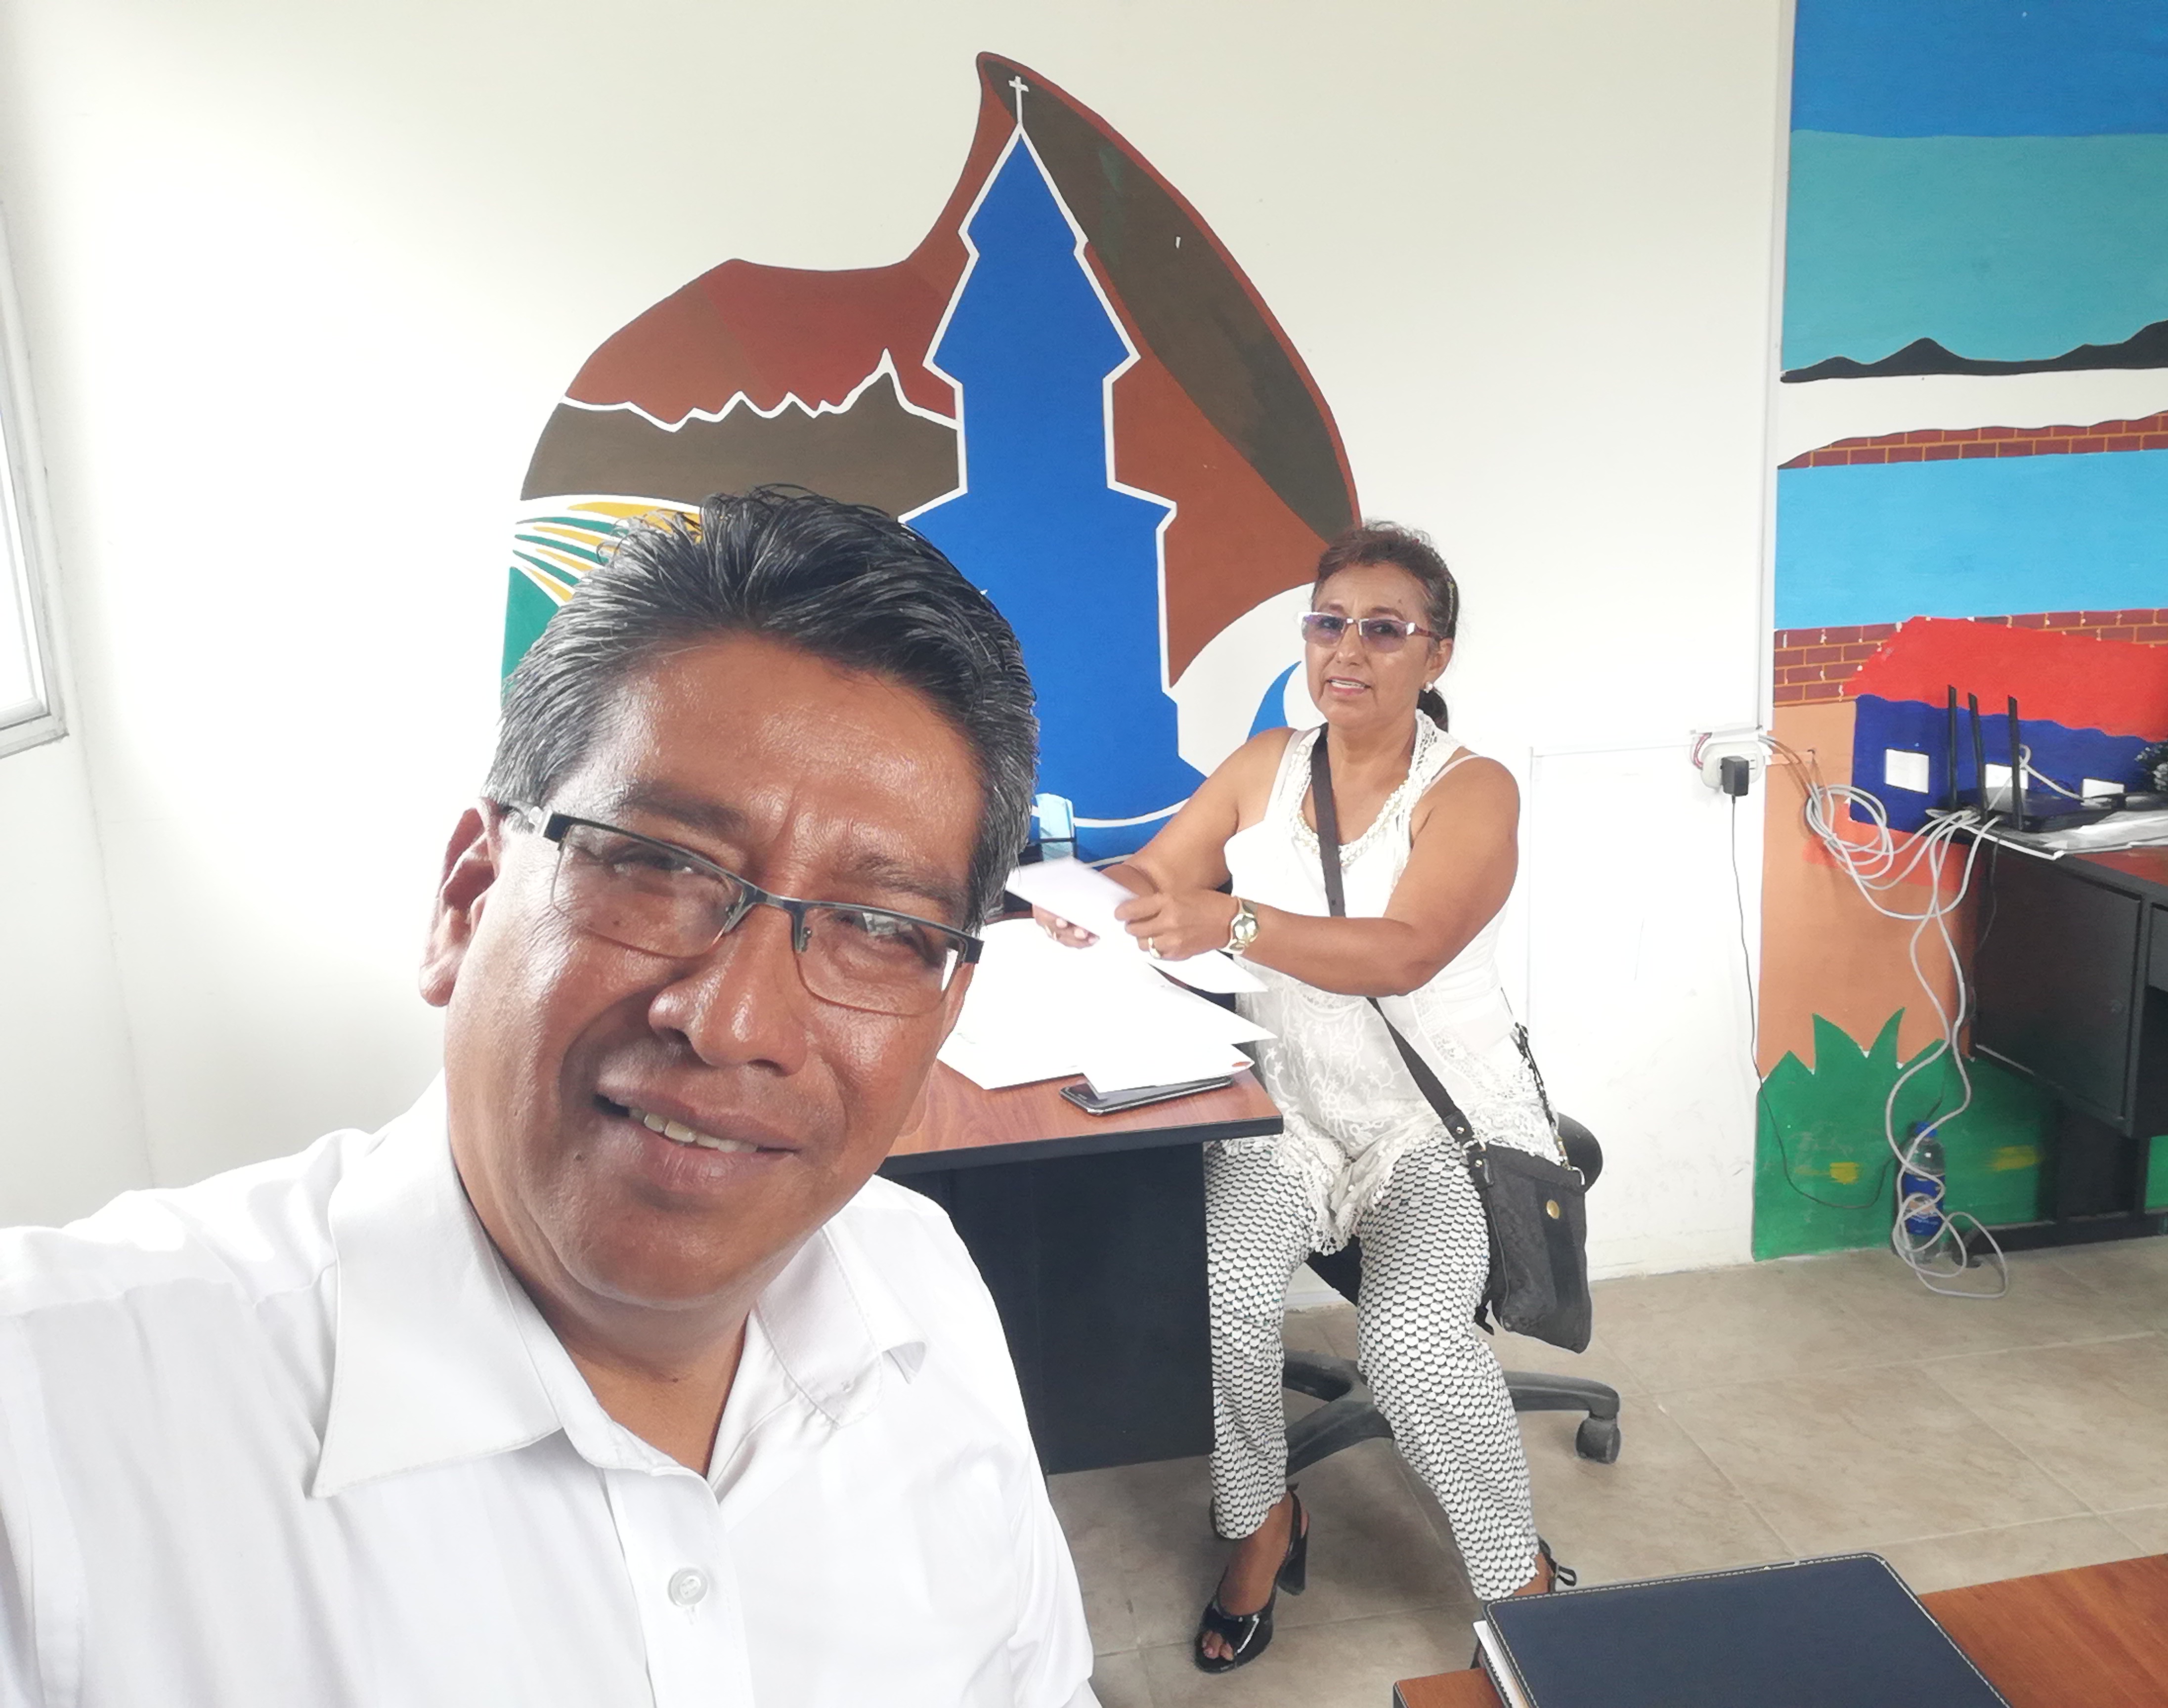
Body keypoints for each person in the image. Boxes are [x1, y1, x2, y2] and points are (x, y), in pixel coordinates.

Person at [0, 489, 1098, 1708]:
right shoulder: (52, 1424)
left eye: (878, 928)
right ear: (467, 900)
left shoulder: (922, 1283)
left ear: (941, 1017)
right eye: (660, 866)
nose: (734, 1022)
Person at [1038, 522, 1562, 1671]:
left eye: (1385, 629)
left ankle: (1518, 1576)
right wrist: (1090, 896)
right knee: (1217, 1298)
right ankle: (1262, 1519)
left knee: (1413, 1347)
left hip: (1437, 1127)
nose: (1349, 649)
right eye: (1330, 623)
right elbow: (1161, 873)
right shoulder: (1263, 765)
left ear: (1437, 654)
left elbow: (1407, 950)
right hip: (1286, 1115)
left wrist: (1231, 921)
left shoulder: (1471, 790)